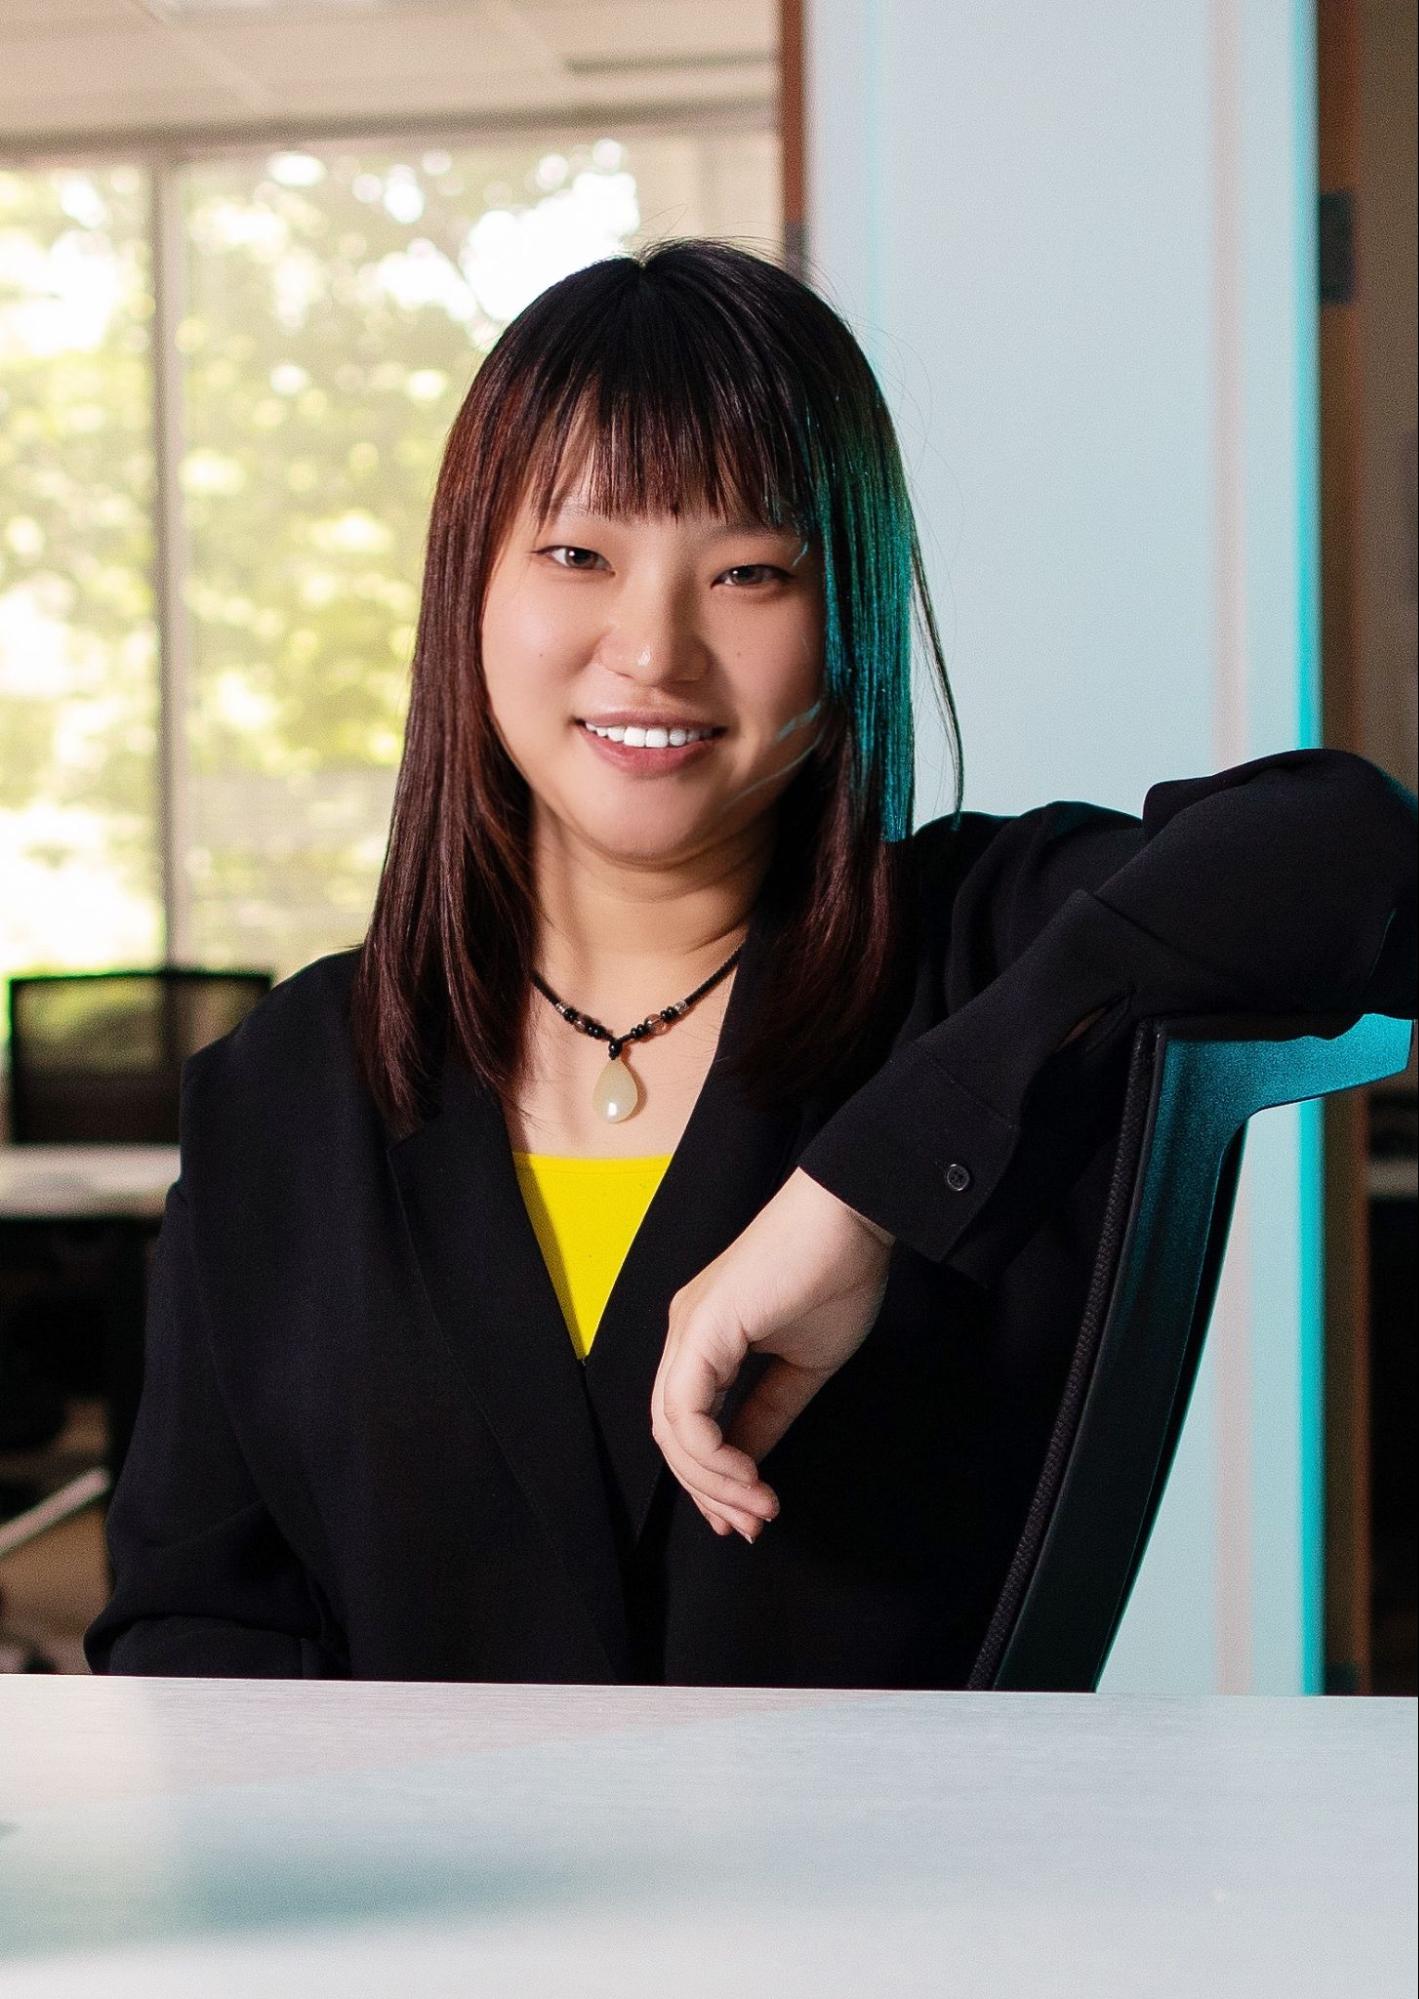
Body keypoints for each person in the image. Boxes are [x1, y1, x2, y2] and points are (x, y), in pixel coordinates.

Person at [85, 238, 1417, 1687]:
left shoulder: (981, 946)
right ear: (469, 588)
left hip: (901, 1902)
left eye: (749, 570)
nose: (652, 648)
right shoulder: (286, 1085)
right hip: (411, 1905)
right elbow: (193, 1628)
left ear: (843, 617)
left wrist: (879, 1180)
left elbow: (1348, 847)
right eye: (579, 553)